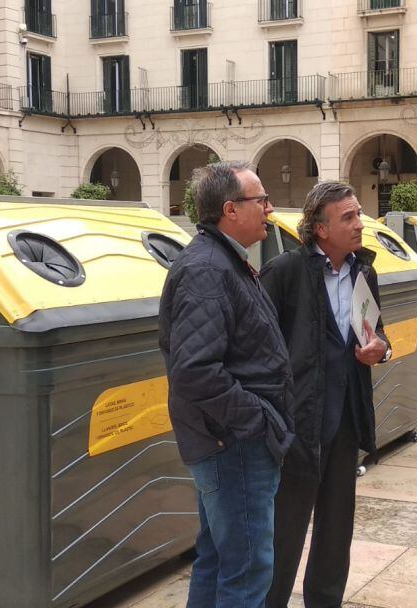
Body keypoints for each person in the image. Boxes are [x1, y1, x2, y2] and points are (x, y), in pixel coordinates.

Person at [158, 160, 296, 608]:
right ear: (230, 210)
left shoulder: (225, 261)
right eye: (261, 200)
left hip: (228, 442)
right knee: (247, 569)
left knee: (219, 558)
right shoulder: (208, 269)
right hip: (233, 446)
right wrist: (256, 419)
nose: (270, 208)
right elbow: (195, 370)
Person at [261, 180, 390, 608]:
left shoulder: (362, 271)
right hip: (299, 423)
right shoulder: (285, 272)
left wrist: (381, 349)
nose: (359, 225)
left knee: (337, 530)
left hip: (346, 419)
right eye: (349, 217)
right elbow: (261, 348)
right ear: (319, 228)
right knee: (285, 531)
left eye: (359, 215)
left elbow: (377, 332)